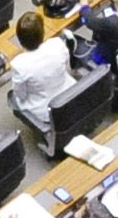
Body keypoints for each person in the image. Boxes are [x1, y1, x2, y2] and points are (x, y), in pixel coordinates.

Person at [5, 10, 84, 148]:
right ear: (42, 32)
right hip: (70, 93)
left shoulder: (19, 65)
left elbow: (20, 95)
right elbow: (68, 68)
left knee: (12, 98)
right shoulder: (57, 44)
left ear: (19, 39)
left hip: (45, 110)